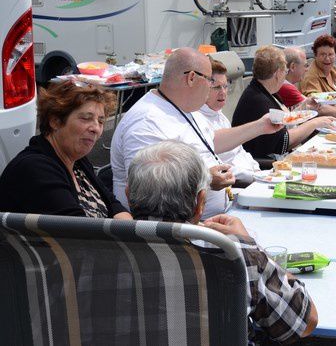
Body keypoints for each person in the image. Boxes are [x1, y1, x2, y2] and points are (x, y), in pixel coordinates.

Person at [125, 140, 318, 344]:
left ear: (128, 196)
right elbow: (304, 323)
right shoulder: (233, 252)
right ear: (200, 202)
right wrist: (251, 246)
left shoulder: (94, 249)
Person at [111, 48, 283, 219]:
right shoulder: (146, 122)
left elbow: (211, 140)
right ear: (192, 78)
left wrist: (261, 126)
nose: (211, 87)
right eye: (210, 80)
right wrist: (206, 179)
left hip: (216, 214)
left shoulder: (185, 108)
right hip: (184, 230)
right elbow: (148, 188)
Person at [0, 81, 131, 219]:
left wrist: (125, 230)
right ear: (55, 121)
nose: (96, 128)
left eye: (100, 121)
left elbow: (115, 205)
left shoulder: (77, 161)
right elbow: (75, 233)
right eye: (86, 118)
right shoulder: (35, 168)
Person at [232, 45, 335, 159]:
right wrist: (314, 123)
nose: (286, 76)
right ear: (277, 73)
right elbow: (282, 143)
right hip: (266, 163)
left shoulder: (263, 91)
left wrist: (305, 107)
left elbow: (285, 121)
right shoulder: (259, 101)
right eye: (285, 71)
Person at [198, 59, 260, 184]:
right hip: (238, 183)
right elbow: (220, 166)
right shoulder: (198, 120)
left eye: (225, 86)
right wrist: (255, 176)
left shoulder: (219, 115)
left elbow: (240, 151)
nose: (223, 92)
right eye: (216, 87)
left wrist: (257, 170)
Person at [279, 47, 336, 117]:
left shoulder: (333, 70)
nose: (307, 69)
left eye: (331, 54)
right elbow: (319, 108)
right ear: (292, 67)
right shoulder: (286, 87)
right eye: (305, 65)